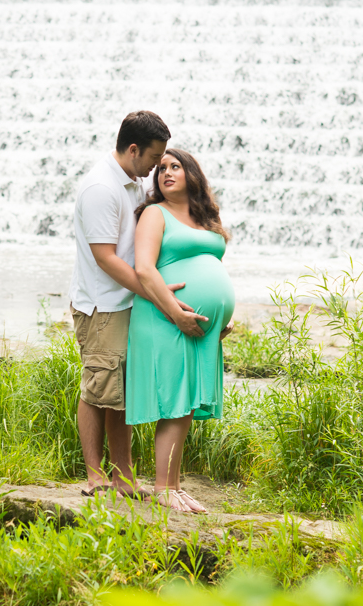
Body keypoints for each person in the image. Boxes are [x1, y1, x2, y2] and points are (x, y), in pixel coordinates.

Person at [69, 112, 208, 498]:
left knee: (119, 394)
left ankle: (124, 477)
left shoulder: (129, 183)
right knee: (98, 388)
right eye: (153, 159)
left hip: (127, 303)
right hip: (103, 306)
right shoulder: (101, 188)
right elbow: (106, 258)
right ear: (134, 150)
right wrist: (158, 295)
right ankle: (95, 477)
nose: (154, 170)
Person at [126, 148, 235, 513]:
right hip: (164, 317)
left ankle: (171, 485)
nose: (166, 173)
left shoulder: (204, 218)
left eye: (175, 167)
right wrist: (176, 314)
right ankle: (163, 487)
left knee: (185, 404)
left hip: (196, 324)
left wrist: (222, 314)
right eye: (160, 169)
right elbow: (144, 269)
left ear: (192, 173)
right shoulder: (154, 214)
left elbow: (210, 265)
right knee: (174, 401)